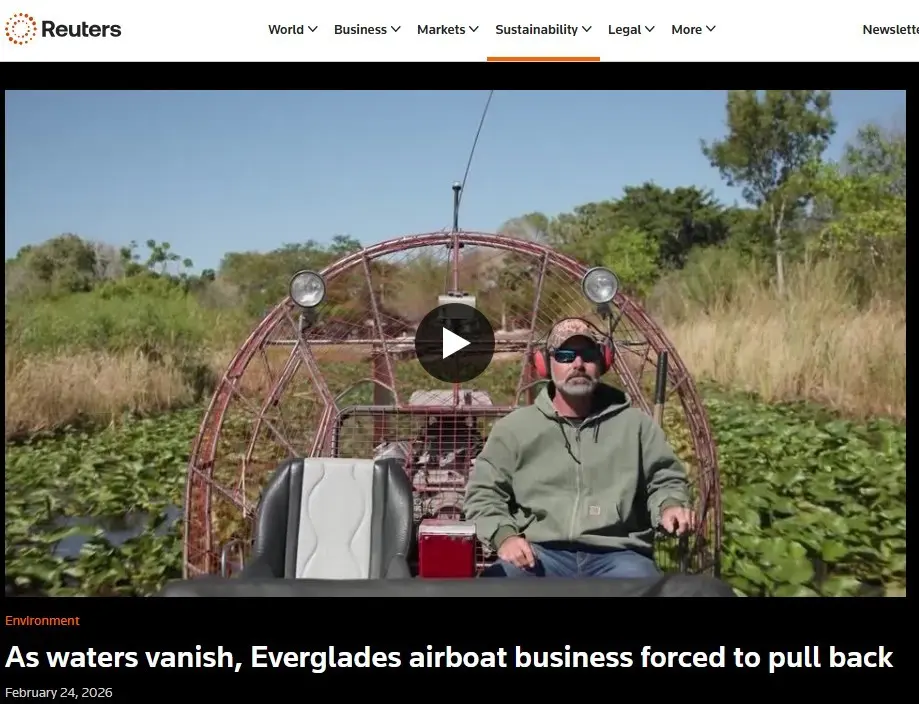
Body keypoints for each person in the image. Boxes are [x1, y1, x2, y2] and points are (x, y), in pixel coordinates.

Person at [463, 317, 696, 579]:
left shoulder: (637, 426)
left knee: (644, 584)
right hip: (539, 553)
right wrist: (504, 536)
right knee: (496, 584)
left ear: (603, 362)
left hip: (618, 556)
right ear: (544, 364)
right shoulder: (514, 428)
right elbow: (483, 493)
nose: (577, 364)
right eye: (565, 355)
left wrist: (670, 505)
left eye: (587, 355)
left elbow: (665, 480)